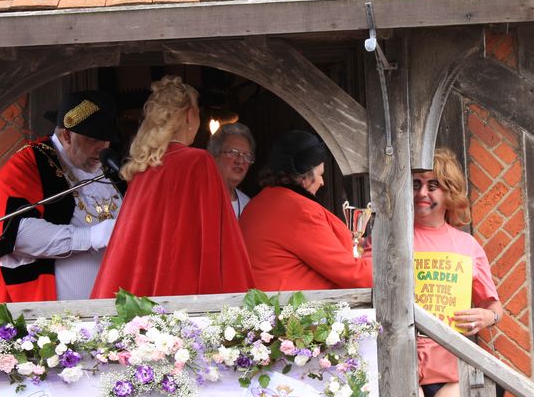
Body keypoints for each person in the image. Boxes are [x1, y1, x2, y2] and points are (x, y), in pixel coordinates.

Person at [90, 75, 254, 298]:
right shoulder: (198, 160)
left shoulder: (142, 168)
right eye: (198, 112)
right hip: (185, 289)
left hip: (142, 292)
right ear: (189, 115)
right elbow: (219, 238)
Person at [0, 91, 122, 303]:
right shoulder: (29, 164)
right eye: (93, 139)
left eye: (107, 142)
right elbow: (15, 234)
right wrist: (90, 237)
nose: (102, 149)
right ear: (67, 135)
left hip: (108, 310)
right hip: (44, 314)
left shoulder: (109, 167)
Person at [413, 148, 503, 397]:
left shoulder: (467, 245)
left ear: (449, 191)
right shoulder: (385, 238)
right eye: (415, 184)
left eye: (432, 185)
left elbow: (494, 306)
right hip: (402, 363)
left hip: (447, 367)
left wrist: (485, 318)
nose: (422, 193)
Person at [239, 129, 372, 291]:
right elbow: (351, 273)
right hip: (291, 311)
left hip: (267, 307)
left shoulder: (255, 205)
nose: (322, 182)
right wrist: (392, 272)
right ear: (303, 175)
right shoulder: (298, 211)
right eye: (320, 174)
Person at [207, 122, 255, 218]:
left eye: (247, 155)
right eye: (233, 152)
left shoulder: (248, 205)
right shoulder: (198, 197)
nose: (240, 161)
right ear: (214, 156)